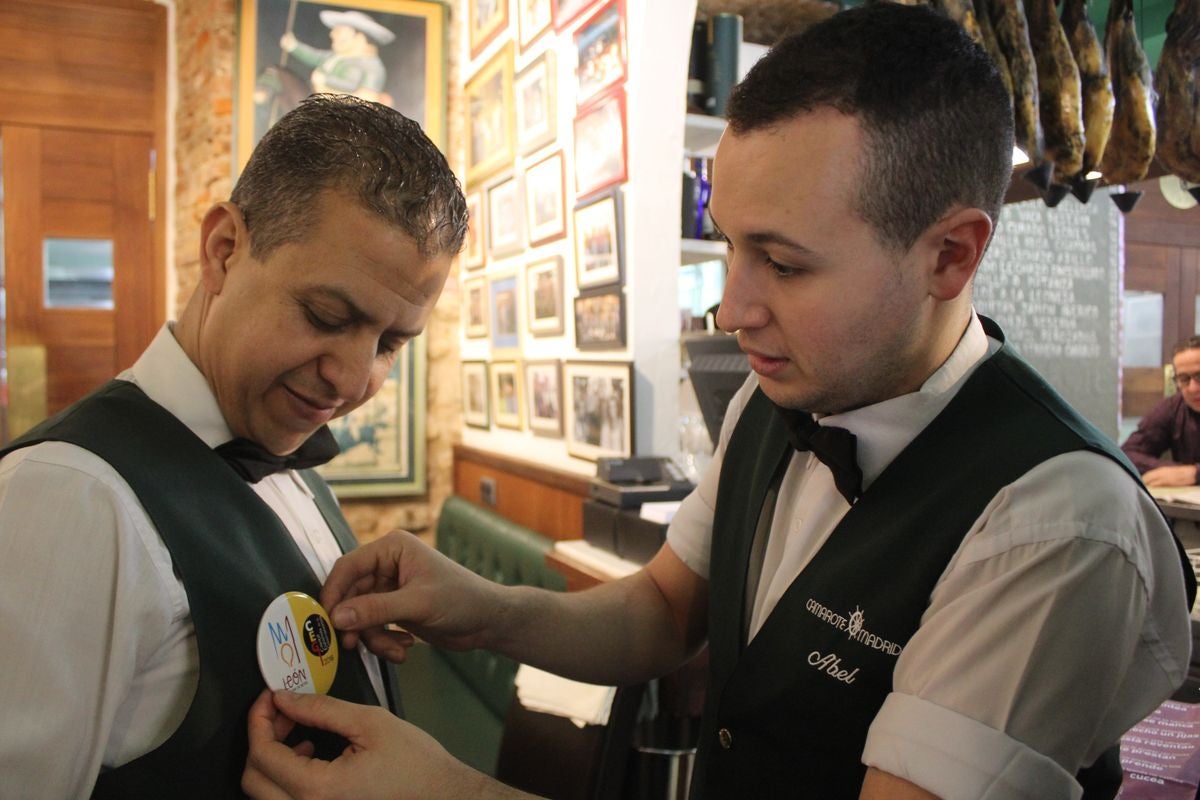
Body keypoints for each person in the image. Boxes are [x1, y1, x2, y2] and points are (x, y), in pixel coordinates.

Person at [243, 6, 1194, 800]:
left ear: (950, 255)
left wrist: (447, 792)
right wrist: (477, 606)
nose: (733, 309)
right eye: (732, 245)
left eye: (783, 263)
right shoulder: (774, 399)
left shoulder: (1058, 526)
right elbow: (663, 612)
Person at [0, 94, 466, 798]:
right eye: (325, 316)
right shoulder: (71, 497)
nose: (353, 381)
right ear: (222, 250)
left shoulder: (286, 445)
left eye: (390, 344)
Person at [1121, 336, 1200, 486]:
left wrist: (1195, 474)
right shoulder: (1174, 408)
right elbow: (1128, 454)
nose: (1193, 388)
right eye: (1184, 379)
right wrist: (1179, 472)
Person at [280, 10, 393, 103]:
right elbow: (314, 56)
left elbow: (365, 100)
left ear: (359, 38)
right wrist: (293, 46)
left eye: (339, 31)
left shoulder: (371, 67)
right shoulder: (334, 57)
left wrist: (325, 81)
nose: (332, 34)